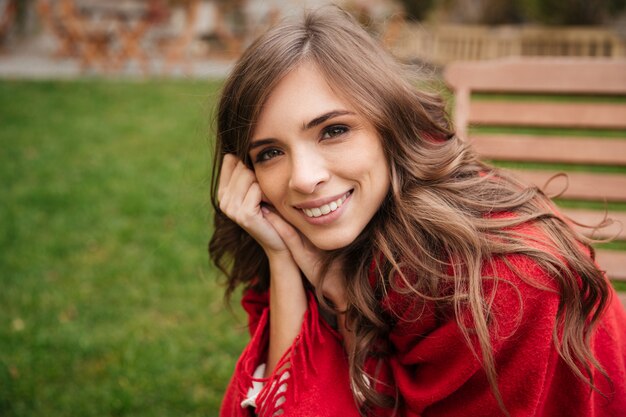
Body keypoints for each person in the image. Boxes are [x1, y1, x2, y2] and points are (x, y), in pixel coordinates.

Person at [209, 7, 626, 417]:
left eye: (333, 130)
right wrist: (283, 262)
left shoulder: (499, 285)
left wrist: (343, 307)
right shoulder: (314, 236)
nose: (302, 178)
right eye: (270, 153)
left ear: (390, 124)